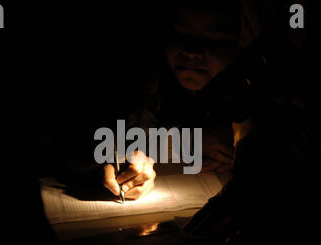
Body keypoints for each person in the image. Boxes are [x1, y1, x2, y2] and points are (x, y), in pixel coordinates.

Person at [103, 3, 253, 200]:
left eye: (214, 39)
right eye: (180, 34)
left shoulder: (258, 89)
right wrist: (182, 144)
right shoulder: (145, 80)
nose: (191, 51)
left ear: (241, 43)